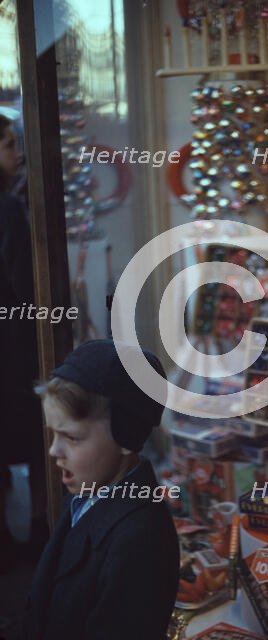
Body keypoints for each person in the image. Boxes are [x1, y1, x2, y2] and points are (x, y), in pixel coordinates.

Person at [24, 339, 180, 640]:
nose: (55, 450)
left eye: (72, 438)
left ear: (127, 435)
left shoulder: (139, 541)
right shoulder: (85, 492)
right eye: (53, 434)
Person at [0, 114, 47, 574]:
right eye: (10, 144)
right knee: (35, 440)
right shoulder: (8, 208)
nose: (17, 154)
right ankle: (39, 528)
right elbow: (22, 284)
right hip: (11, 350)